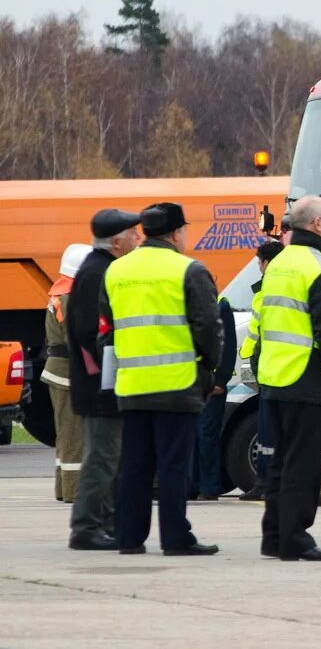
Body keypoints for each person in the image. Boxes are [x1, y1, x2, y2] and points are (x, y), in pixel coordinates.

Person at [101, 202, 222, 556]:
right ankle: (175, 537)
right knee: (173, 466)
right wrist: (208, 369)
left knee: (134, 466)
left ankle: (128, 536)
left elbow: (106, 328)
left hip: (132, 384)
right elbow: (208, 329)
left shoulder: (117, 271)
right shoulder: (189, 270)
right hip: (177, 383)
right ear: (175, 233)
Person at [255, 196, 321, 560]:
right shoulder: (317, 267)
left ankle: (274, 535)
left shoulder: (279, 264)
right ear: (315, 225)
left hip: (276, 375)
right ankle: (296, 537)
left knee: (280, 461)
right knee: (303, 463)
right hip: (306, 375)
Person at [68, 210, 141, 551]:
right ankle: (86, 528)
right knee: (102, 458)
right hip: (99, 386)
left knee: (110, 457)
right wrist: (106, 376)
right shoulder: (98, 273)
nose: (138, 239)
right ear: (116, 242)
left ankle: (106, 524)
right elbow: (89, 334)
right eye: (133, 234)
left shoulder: (103, 269)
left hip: (104, 383)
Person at [44, 243, 92, 502]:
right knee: (73, 434)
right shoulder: (71, 298)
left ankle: (64, 489)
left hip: (58, 372)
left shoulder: (59, 292)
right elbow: (75, 339)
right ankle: (74, 491)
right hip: (67, 374)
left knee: (66, 434)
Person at [237, 239, 285, 501]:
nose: (258, 266)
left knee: (272, 430)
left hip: (276, 369)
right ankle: (264, 481)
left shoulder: (273, 292)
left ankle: (269, 482)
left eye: (260, 262)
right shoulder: (264, 292)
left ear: (268, 263)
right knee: (266, 431)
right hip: (267, 369)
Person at [192, 294, 237, 500]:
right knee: (190, 436)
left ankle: (209, 486)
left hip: (211, 383)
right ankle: (191, 486)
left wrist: (221, 380)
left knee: (207, 435)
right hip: (190, 382)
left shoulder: (221, 304)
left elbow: (228, 346)